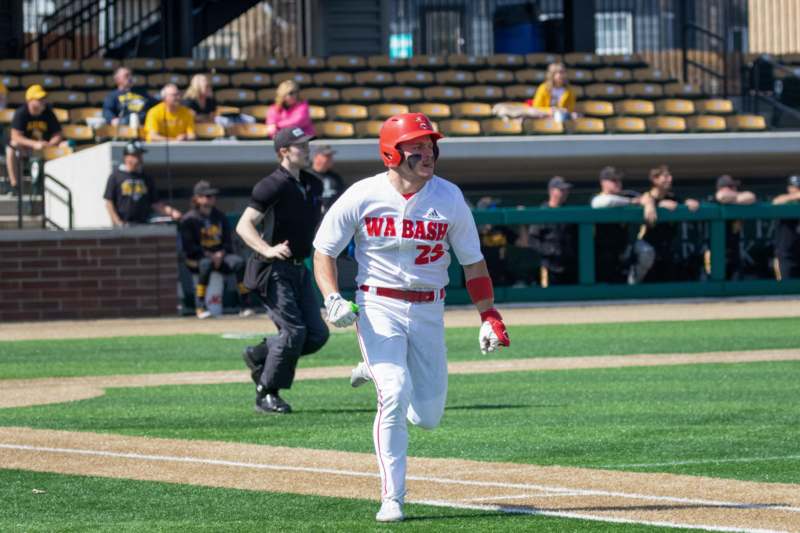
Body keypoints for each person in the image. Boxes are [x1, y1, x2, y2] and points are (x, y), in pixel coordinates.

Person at [312, 113, 510, 523]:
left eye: (430, 145)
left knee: (429, 416)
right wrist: (332, 297)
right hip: (377, 305)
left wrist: (488, 315)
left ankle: (372, 366)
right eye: (416, 146)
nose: (427, 153)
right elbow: (324, 251)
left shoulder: (449, 196)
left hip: (428, 309)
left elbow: (473, 264)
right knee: (395, 391)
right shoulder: (361, 194)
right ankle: (393, 497)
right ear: (391, 152)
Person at [236, 127, 329, 414]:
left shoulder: (313, 184)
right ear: (283, 152)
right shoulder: (271, 185)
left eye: (306, 144)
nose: (307, 149)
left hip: (301, 268)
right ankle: (266, 392)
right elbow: (244, 225)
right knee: (293, 333)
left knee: (316, 335)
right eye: (299, 146)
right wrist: (267, 250)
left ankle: (259, 353)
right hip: (274, 270)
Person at [180, 180, 255, 319]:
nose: (212, 198)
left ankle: (245, 305)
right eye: (207, 196)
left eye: (213, 196)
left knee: (239, 263)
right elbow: (189, 247)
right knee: (206, 264)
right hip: (198, 259)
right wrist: (208, 254)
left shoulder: (220, 216)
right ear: (197, 198)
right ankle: (200, 306)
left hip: (220, 257)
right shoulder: (188, 219)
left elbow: (228, 242)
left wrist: (221, 253)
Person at [590, 166, 656, 284]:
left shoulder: (627, 194)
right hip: (604, 250)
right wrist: (630, 202)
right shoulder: (598, 198)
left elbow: (647, 197)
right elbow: (602, 202)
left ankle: (634, 284)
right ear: (603, 183)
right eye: (613, 180)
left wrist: (649, 204)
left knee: (647, 251)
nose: (618, 183)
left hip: (625, 246)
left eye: (619, 180)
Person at [639, 165, 701, 282]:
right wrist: (653, 205)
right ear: (655, 179)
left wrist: (689, 202)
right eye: (666, 176)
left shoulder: (672, 197)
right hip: (647, 249)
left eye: (670, 176)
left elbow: (684, 202)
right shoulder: (647, 197)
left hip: (667, 250)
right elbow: (642, 199)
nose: (670, 179)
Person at [103, 140, 182, 226]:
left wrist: (172, 212)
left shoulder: (146, 178)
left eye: (140, 155)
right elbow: (109, 203)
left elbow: (156, 203)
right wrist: (118, 222)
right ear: (127, 157)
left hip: (144, 224)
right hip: (124, 225)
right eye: (136, 155)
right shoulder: (115, 176)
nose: (140, 159)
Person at [5, 85, 64, 194]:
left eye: (43, 99)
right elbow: (15, 136)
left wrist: (51, 144)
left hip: (46, 148)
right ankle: (15, 184)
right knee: (11, 148)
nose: (43, 101)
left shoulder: (48, 112)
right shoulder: (21, 113)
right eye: (39, 99)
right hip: (26, 148)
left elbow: (58, 134)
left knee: (64, 146)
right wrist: (34, 144)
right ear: (30, 100)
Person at [530, 176, 578, 286]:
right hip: (549, 266)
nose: (565, 193)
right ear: (551, 191)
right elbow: (533, 240)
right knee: (548, 298)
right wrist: (550, 250)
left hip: (569, 266)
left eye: (566, 190)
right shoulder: (543, 211)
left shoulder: (569, 212)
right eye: (561, 190)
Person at [707, 174, 756, 280]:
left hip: (734, 253)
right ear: (722, 188)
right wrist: (737, 198)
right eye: (731, 187)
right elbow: (721, 197)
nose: (735, 189)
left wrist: (735, 199)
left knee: (736, 283)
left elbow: (751, 196)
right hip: (716, 253)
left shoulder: (736, 199)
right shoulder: (713, 200)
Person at [493, 62, 578, 122]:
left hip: (558, 117)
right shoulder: (544, 88)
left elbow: (570, 108)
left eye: (563, 73)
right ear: (552, 75)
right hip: (541, 114)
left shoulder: (569, 90)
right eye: (558, 73)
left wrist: (562, 111)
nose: (561, 75)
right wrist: (551, 110)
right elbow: (536, 107)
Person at [772, 174, 800, 280]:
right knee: (786, 292)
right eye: (795, 187)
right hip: (787, 256)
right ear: (789, 188)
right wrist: (796, 196)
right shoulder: (784, 200)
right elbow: (775, 202)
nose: (797, 190)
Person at [310, 144, 345, 213]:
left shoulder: (336, 178)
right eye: (327, 156)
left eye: (331, 156)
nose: (330, 159)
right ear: (316, 157)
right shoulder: (305, 176)